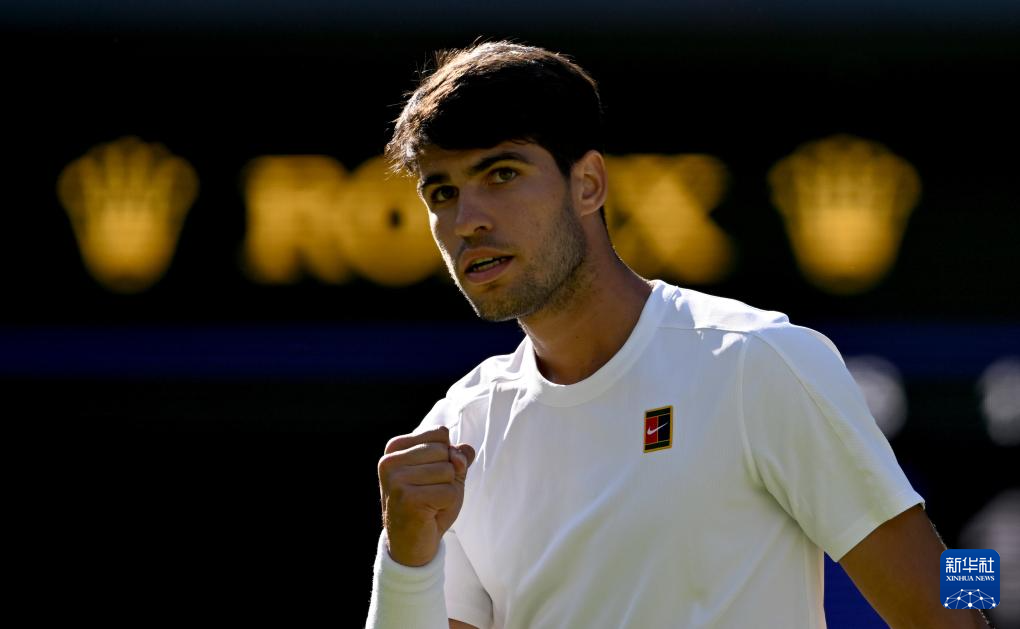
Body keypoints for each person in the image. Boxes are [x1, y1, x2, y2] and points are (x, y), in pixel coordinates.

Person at [366, 41, 990, 629]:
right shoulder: (458, 427)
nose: (466, 220)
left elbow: (947, 593)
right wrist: (406, 558)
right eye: (441, 192)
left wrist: (986, 597)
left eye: (501, 174)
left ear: (588, 184)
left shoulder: (755, 359)